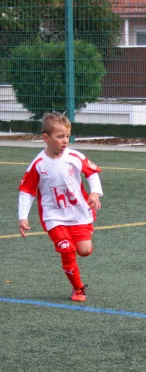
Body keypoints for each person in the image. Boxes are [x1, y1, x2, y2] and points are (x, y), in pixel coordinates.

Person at [18, 112, 103, 302]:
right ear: (46, 138)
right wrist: (22, 217)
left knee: (84, 250)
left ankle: (78, 249)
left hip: (79, 213)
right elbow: (27, 191)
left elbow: (92, 173)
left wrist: (95, 193)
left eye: (67, 136)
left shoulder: (75, 156)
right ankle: (78, 289)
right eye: (60, 137)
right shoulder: (38, 164)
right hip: (53, 216)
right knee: (66, 249)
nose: (65, 141)